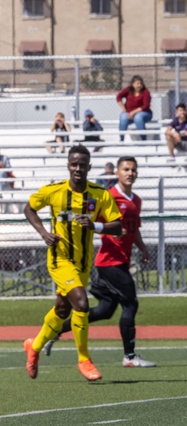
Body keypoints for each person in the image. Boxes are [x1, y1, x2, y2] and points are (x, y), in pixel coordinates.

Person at [41, 156, 155, 367]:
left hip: (121, 260)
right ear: (117, 173)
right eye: (126, 169)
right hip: (108, 262)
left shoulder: (136, 200)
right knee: (131, 302)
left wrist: (143, 247)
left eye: (133, 170)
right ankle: (129, 357)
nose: (130, 173)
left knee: (105, 310)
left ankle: (54, 334)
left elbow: (133, 228)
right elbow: (96, 223)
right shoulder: (107, 195)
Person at [23, 145, 123, 382]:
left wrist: (95, 226)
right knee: (81, 302)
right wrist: (43, 233)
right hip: (60, 259)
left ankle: (34, 347)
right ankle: (83, 359)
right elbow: (29, 209)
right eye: (74, 164)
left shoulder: (100, 194)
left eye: (82, 164)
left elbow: (118, 226)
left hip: (83, 262)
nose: (78, 168)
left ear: (89, 167)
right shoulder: (54, 191)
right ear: (68, 165)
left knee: (62, 308)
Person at [116, 75, 153, 141]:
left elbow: (146, 106)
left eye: (141, 83)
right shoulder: (128, 90)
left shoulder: (145, 92)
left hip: (144, 112)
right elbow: (119, 97)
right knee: (123, 117)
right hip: (129, 112)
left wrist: (133, 112)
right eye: (137, 83)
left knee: (138, 117)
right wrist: (123, 108)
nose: (139, 85)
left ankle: (143, 138)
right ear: (133, 84)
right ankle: (121, 138)